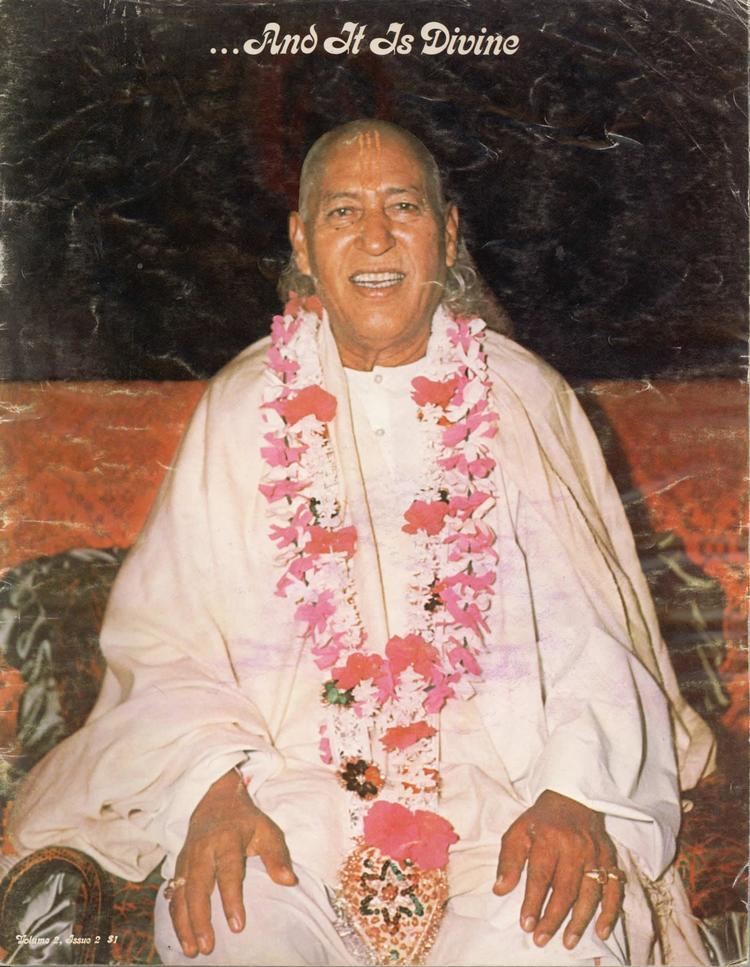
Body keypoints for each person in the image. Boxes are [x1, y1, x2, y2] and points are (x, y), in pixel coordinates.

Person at [10, 120, 715, 967]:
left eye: (403, 206)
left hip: (508, 808)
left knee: (558, 944)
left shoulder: (525, 398)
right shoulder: (240, 409)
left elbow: (596, 642)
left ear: (448, 234)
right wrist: (213, 790)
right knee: (229, 932)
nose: (376, 237)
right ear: (302, 241)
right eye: (344, 210)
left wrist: (574, 794)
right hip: (288, 812)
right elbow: (166, 649)